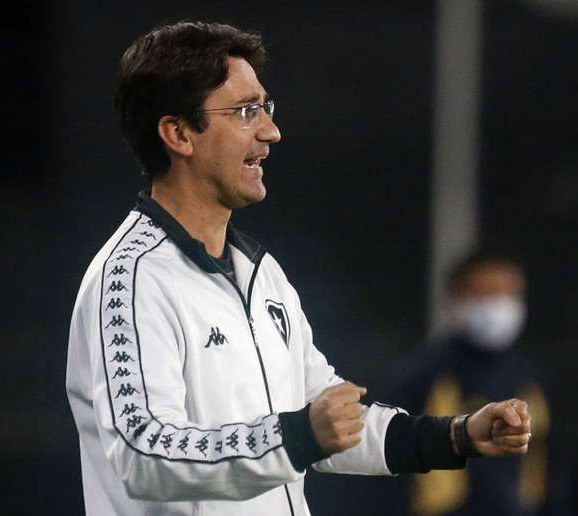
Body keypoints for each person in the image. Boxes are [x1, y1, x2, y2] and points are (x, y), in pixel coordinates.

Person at [65, 21, 532, 516]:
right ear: (178, 133)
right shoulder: (132, 279)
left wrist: (457, 435)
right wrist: (299, 435)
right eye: (245, 111)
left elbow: (334, 421)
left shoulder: (262, 275)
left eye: (265, 108)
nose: (270, 131)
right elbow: (143, 454)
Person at [380, 242, 569, 515]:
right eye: (489, 293)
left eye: (510, 294)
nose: (501, 304)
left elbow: (553, 469)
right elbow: (387, 468)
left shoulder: (534, 380)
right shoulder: (420, 376)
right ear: (456, 298)